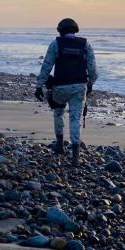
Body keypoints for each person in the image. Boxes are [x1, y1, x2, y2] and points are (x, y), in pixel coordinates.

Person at [35, 18, 98, 165]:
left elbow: (47, 66)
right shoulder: (85, 44)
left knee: (58, 112)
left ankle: (60, 145)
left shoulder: (56, 44)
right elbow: (93, 69)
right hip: (79, 87)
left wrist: (39, 85)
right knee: (75, 118)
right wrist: (90, 83)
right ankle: (75, 156)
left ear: (60, 30)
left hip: (59, 86)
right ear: (75, 30)